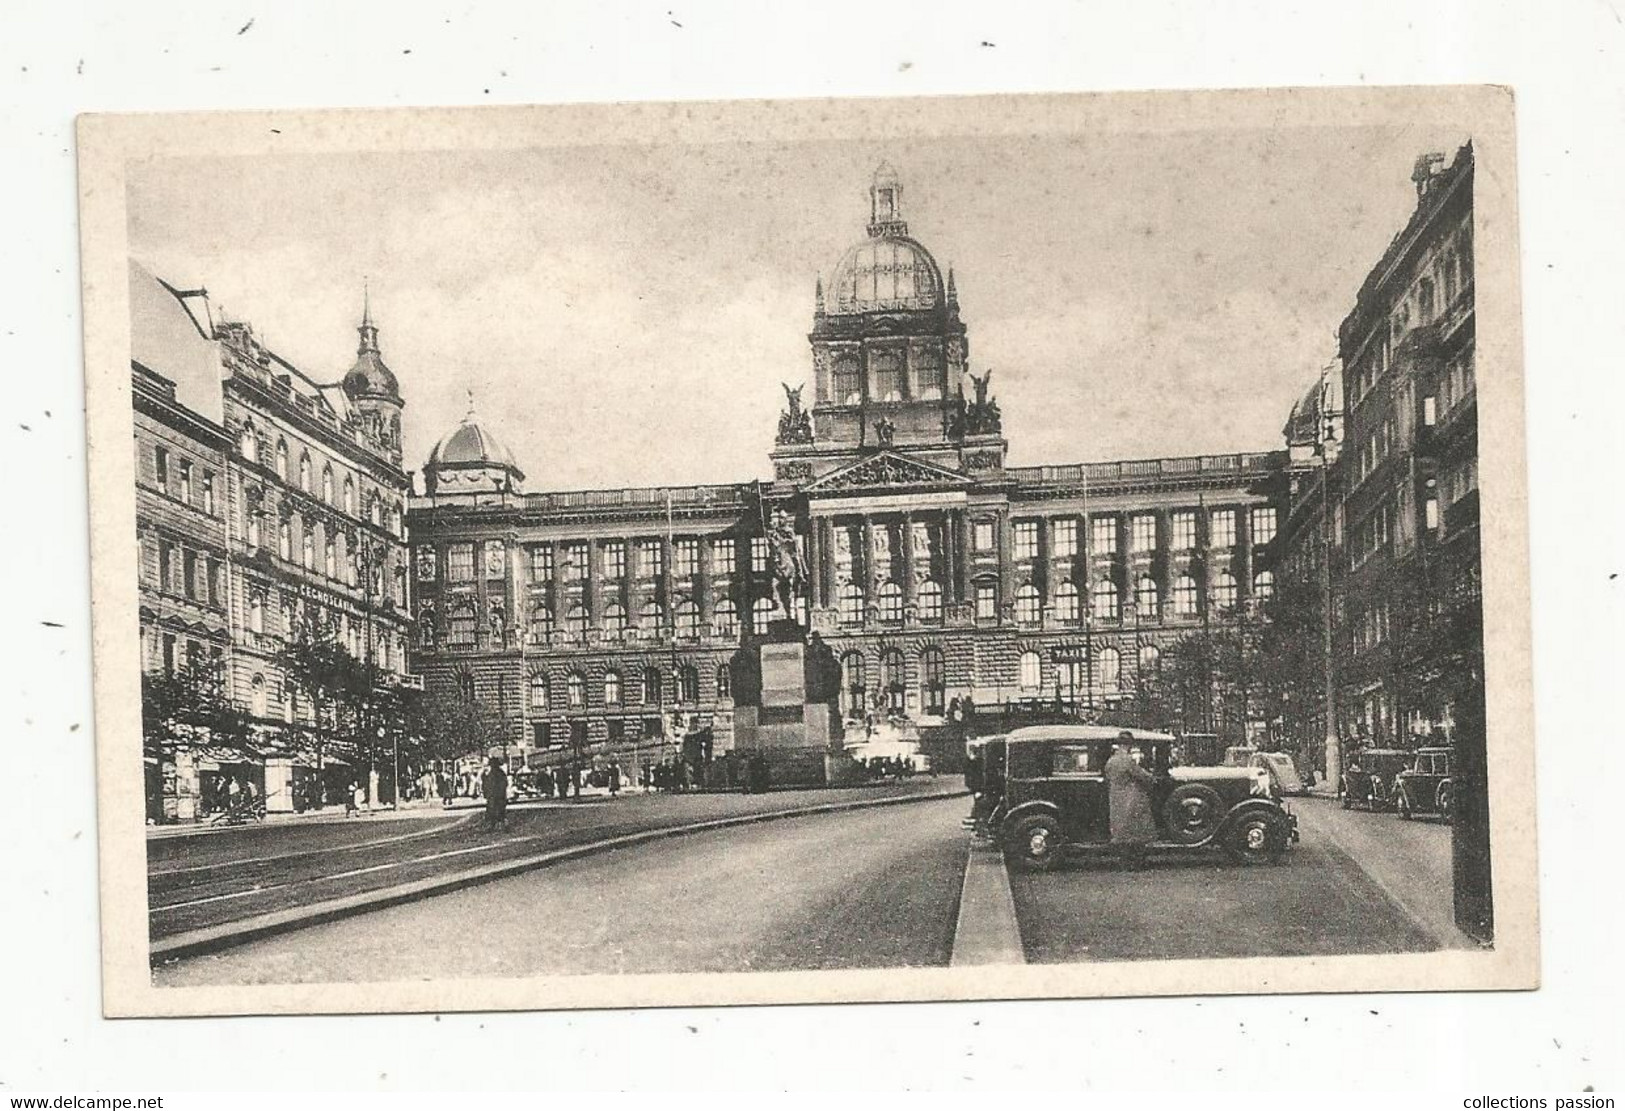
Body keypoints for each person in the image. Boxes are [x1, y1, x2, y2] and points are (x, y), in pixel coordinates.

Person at [1103, 733, 1158, 870]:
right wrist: (1152, 778)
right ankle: (1137, 863)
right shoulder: (1127, 760)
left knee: (1121, 833)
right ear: (1129, 745)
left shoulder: (1111, 761)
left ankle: (1124, 862)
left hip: (1115, 798)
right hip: (1131, 798)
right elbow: (1142, 776)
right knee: (1136, 832)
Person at [481, 757, 509, 827]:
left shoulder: (497, 773)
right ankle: (495, 823)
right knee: (495, 809)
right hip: (495, 795)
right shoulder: (497, 773)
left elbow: (504, 784)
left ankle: (497, 823)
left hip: (496, 795)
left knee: (496, 809)